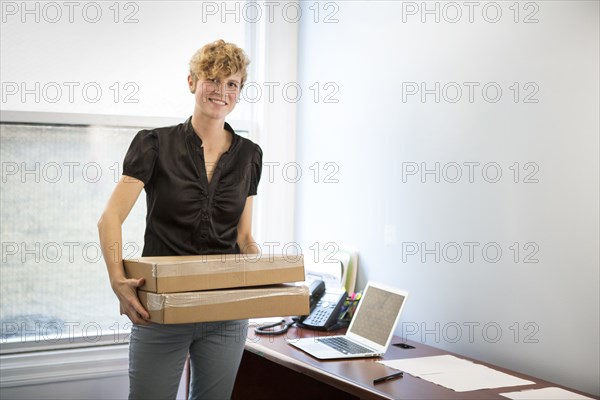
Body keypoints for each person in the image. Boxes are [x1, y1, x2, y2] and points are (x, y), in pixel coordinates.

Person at [97, 39, 262, 400]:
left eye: (232, 83)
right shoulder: (154, 144)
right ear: (192, 82)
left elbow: (244, 234)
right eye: (213, 80)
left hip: (226, 313)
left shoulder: (250, 155)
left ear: (239, 91)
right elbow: (110, 217)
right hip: (161, 309)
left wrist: (260, 274)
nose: (222, 91)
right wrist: (117, 281)